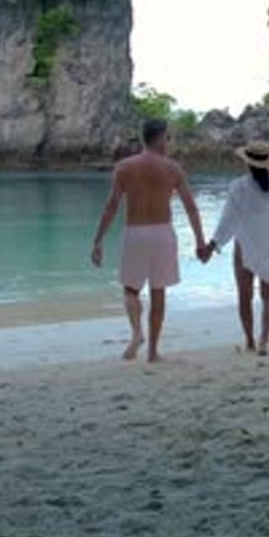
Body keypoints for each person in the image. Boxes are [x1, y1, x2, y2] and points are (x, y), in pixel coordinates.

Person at [91, 118, 206, 363]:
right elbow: (191, 208)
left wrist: (98, 240)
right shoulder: (173, 168)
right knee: (158, 293)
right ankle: (153, 352)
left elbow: (111, 206)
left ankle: (136, 333)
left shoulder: (124, 167)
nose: (169, 142)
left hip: (135, 233)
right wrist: (199, 241)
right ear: (161, 137)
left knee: (130, 290)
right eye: (168, 138)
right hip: (162, 233)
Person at [201, 140, 269, 355]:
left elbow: (228, 220)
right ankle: (264, 339)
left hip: (245, 246)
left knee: (244, 295)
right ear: (267, 164)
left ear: (246, 164)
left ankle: (249, 340)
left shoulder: (239, 188)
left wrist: (212, 245)